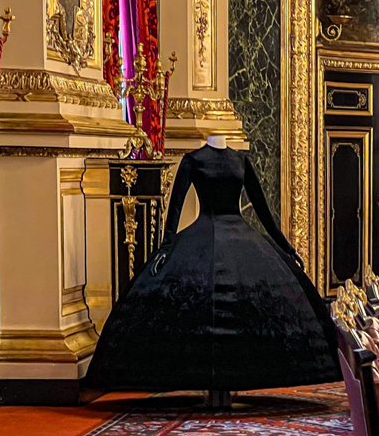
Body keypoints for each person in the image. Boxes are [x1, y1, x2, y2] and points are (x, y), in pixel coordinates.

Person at [85, 140, 341, 393]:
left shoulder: (240, 160)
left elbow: (263, 210)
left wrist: (286, 248)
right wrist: (165, 247)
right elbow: (175, 208)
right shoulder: (193, 160)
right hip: (204, 235)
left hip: (239, 236)